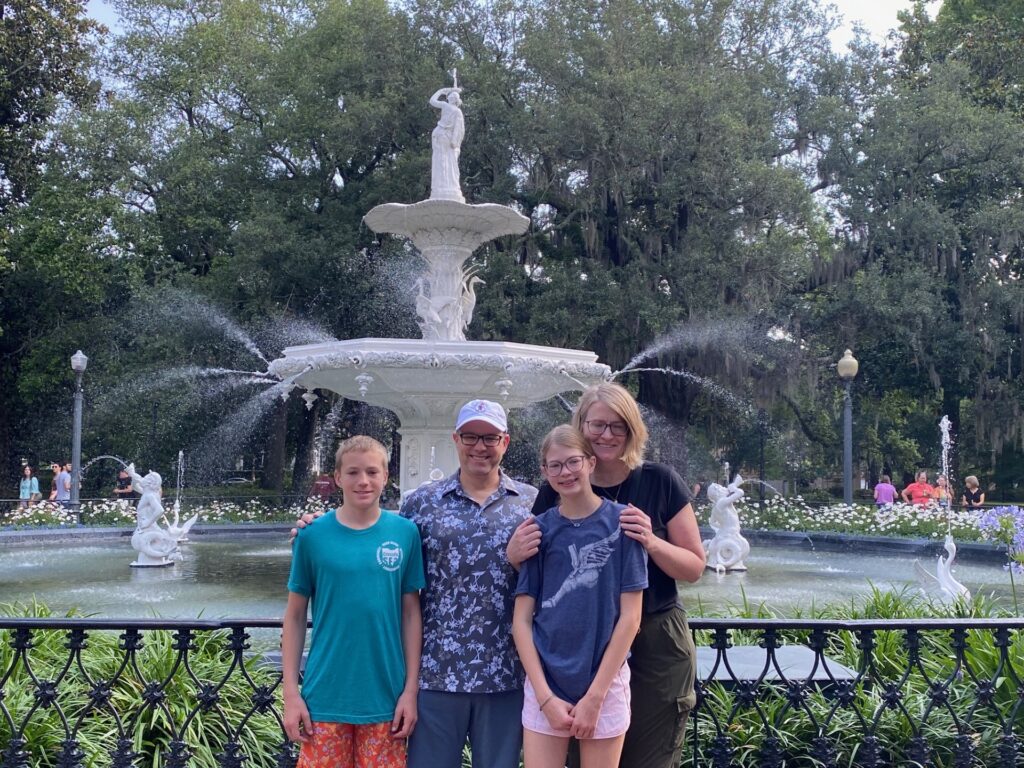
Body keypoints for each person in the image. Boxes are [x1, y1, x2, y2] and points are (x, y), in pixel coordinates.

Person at [293, 400, 538, 768]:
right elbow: (372, 531)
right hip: (436, 674)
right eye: (470, 436)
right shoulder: (421, 503)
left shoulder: (532, 503)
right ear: (456, 439)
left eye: (490, 437)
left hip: (505, 672)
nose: (479, 446)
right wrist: (316, 524)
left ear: (505, 441)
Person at [508, 382, 705, 768]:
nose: (607, 435)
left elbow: (695, 567)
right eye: (597, 425)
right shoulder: (559, 488)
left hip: (653, 637)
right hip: (579, 646)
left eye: (618, 426)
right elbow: (545, 567)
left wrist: (650, 541)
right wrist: (514, 556)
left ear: (632, 431)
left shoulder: (659, 481)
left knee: (648, 756)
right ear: (581, 426)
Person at [283, 436, 424, 768]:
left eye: (372, 472)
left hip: (386, 698)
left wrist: (410, 691)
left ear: (386, 476)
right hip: (325, 696)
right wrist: (291, 691)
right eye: (353, 472)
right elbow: (294, 616)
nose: (363, 481)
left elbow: (410, 614)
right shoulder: (312, 536)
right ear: (337, 477)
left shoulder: (405, 533)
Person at [512, 425, 646, 768]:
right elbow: (522, 621)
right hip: (546, 681)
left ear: (589, 462)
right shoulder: (538, 530)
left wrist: (595, 697)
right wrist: (544, 698)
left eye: (572, 462)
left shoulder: (622, 524)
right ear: (544, 471)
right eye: (554, 465)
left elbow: (630, 617)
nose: (565, 472)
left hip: (605, 681)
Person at [428, 86, 465, 201]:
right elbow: (459, 129)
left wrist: (440, 91)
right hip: (444, 136)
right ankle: (443, 186)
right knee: (445, 160)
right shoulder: (455, 110)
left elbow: (432, 101)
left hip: (442, 136)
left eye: (451, 96)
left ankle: (444, 186)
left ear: (453, 99)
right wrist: (455, 142)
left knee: (444, 160)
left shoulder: (448, 107)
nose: (449, 97)